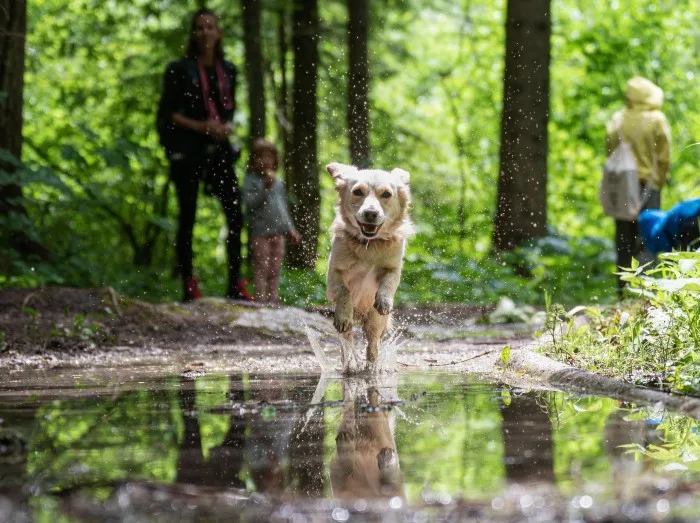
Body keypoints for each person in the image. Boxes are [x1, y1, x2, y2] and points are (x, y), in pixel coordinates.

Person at [157, 9, 252, 302]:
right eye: (199, 28)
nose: (205, 32)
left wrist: (223, 128)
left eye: (210, 27)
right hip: (188, 150)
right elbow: (168, 114)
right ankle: (189, 283)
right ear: (193, 34)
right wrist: (202, 127)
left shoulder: (229, 70)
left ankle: (236, 282)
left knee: (235, 215)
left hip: (219, 150)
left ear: (218, 33)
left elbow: (228, 108)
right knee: (188, 216)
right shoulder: (179, 69)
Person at [606, 76, 671, 291]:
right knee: (647, 238)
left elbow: (610, 151)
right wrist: (658, 184)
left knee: (623, 241)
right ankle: (643, 292)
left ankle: (622, 291)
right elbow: (663, 157)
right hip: (647, 186)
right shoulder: (656, 119)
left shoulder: (617, 120)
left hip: (622, 186)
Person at [242, 139, 300, 305]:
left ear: (275, 160)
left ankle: (273, 301)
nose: (265, 161)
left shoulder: (278, 183)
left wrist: (290, 229)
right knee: (262, 268)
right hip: (260, 233)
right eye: (260, 157)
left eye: (269, 157)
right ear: (253, 159)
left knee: (275, 269)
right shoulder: (251, 181)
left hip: (278, 232)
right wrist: (264, 189)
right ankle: (260, 301)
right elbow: (250, 203)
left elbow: (283, 209)